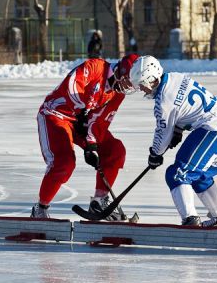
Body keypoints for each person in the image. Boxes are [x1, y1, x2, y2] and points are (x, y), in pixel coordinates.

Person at [128, 56, 217, 227]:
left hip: (214, 129)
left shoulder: (163, 102)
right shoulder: (176, 77)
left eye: (142, 84)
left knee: (178, 173)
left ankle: (190, 220)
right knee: (198, 175)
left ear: (151, 78)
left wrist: (155, 154)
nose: (141, 89)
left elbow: (162, 133)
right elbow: (183, 107)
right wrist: (178, 130)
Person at [31, 53, 139, 220]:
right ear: (120, 72)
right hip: (57, 114)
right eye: (128, 82)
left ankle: (99, 201)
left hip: (81, 124)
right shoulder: (96, 67)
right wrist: (82, 110)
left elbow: (101, 121)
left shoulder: (118, 93)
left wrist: (91, 146)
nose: (128, 87)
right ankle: (41, 208)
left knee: (115, 150)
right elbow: (72, 85)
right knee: (64, 163)